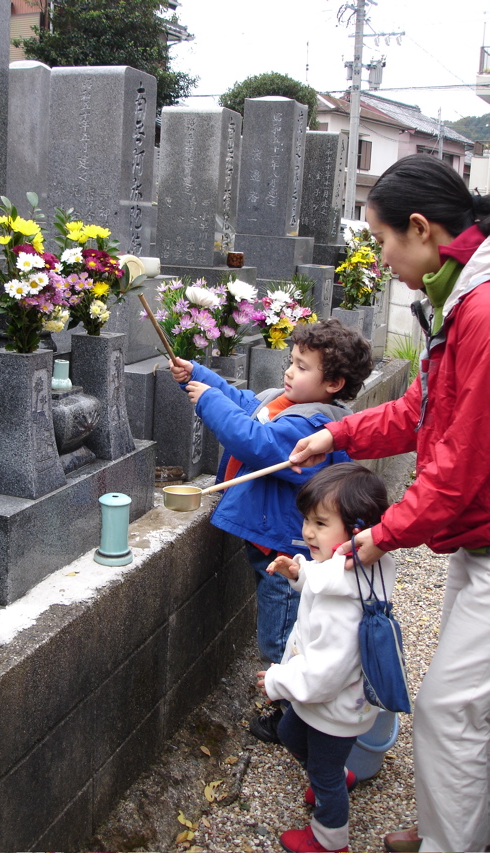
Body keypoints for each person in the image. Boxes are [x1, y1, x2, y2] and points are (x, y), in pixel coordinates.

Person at [289, 153, 490, 853]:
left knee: (449, 708)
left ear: (420, 228)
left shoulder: (482, 309)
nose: (380, 258)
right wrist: (334, 432)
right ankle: (451, 828)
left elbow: (460, 464)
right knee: (470, 707)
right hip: (476, 537)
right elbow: (418, 410)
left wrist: (383, 533)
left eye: (380, 241)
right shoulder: (457, 295)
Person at [170, 318, 373, 743]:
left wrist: (207, 401)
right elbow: (245, 404)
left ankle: (293, 720)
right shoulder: (283, 402)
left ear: (333, 383)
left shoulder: (312, 425)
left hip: (286, 549)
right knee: (283, 624)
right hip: (269, 538)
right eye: (291, 361)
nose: (289, 371)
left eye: (301, 367)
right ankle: (297, 704)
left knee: (282, 633)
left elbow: (255, 443)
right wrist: (199, 377)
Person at [257, 462, 394, 853]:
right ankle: (336, 776)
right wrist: (299, 575)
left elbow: (322, 674)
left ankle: (330, 838)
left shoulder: (343, 608)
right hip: (329, 701)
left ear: (357, 530)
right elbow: (325, 581)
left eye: (319, 523)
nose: (307, 532)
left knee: (323, 769)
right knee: (288, 733)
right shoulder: (358, 569)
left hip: (334, 706)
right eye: (306, 520)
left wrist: (274, 680)